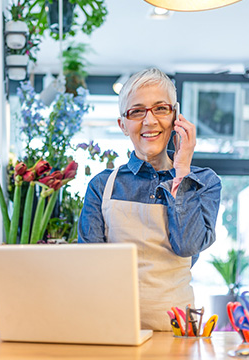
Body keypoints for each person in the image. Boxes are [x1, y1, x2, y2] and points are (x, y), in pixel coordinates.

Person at [77, 68, 221, 331]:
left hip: (178, 334)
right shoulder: (102, 186)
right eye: (137, 111)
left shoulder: (203, 182)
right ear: (123, 125)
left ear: (176, 117)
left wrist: (181, 172)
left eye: (160, 109)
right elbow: (89, 268)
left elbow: (187, 245)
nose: (150, 121)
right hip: (114, 331)